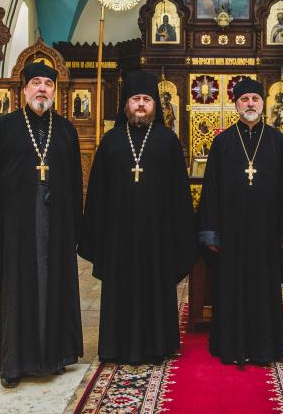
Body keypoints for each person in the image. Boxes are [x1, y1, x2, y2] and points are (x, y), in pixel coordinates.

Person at [0, 61, 84, 388]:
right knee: (14, 295)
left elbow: (75, 185)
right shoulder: (5, 129)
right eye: (36, 83)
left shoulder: (66, 131)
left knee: (53, 289)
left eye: (48, 83)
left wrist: (75, 229)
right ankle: (12, 363)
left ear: (55, 91)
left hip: (55, 230)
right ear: (24, 89)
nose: (42, 88)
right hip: (14, 232)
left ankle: (55, 356)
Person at [79, 70, 197, 364]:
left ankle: (159, 345)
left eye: (146, 99)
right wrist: (98, 236)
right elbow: (97, 194)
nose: (141, 104)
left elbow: (180, 195)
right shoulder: (110, 141)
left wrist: (179, 235)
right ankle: (116, 347)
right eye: (135, 99)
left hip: (158, 235)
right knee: (120, 289)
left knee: (156, 288)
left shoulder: (168, 141)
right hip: (118, 236)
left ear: (155, 104)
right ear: (126, 105)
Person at [198, 78, 283, 365]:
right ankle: (231, 345)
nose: (250, 104)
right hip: (231, 231)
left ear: (262, 104)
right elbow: (211, 190)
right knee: (230, 287)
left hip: (266, 232)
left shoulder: (277, 141)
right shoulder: (222, 142)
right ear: (236, 105)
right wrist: (211, 233)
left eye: (255, 99)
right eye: (244, 99)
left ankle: (263, 347)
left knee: (263, 288)